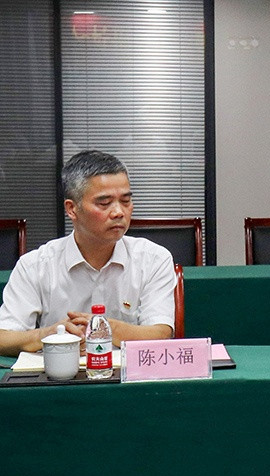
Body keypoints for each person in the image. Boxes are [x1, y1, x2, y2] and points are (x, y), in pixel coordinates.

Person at [0, 150, 176, 357]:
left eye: (126, 201)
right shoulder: (36, 265)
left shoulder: (154, 259)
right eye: (104, 203)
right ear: (72, 209)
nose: (119, 212)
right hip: (60, 373)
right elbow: (4, 337)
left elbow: (161, 333)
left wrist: (101, 327)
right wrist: (47, 335)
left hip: (126, 375)